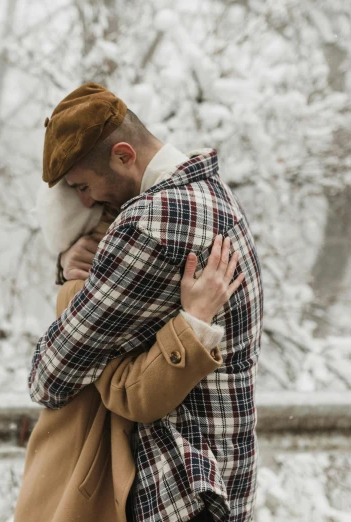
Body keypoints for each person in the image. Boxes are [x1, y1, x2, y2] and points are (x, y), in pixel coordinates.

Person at [28, 83, 263, 522]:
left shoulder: (149, 224)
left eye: (83, 185)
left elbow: (49, 378)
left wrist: (71, 284)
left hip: (180, 490)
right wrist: (69, 262)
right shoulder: (213, 194)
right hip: (226, 480)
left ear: (123, 155)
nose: (85, 201)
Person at [14, 205, 244, 522]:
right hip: (80, 494)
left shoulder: (91, 286)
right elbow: (133, 394)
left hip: (70, 484)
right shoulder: (86, 294)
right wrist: (196, 322)